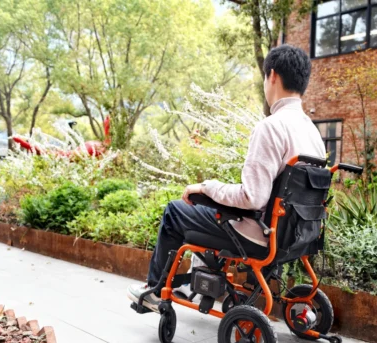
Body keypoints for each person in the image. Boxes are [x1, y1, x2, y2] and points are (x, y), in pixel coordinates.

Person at [127, 44, 326, 312]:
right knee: (208, 212)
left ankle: (154, 289)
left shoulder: (271, 127)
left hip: (259, 235)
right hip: (297, 236)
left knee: (177, 210)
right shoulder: (313, 133)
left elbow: (252, 197)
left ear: (273, 76)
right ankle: (198, 279)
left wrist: (206, 187)